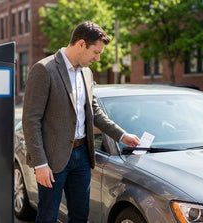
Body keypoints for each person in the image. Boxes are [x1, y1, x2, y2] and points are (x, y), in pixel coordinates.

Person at [22, 21, 141, 223]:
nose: (98, 57)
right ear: (80, 44)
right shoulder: (44, 69)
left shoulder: (87, 73)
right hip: (52, 160)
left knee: (80, 216)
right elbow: (31, 120)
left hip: (82, 157)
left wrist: (122, 135)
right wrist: (40, 163)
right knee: (48, 216)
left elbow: (94, 112)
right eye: (95, 52)